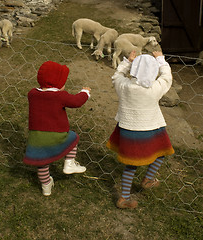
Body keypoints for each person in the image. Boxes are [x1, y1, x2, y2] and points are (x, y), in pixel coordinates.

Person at [106, 51, 175, 209]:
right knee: (162, 152)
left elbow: (116, 76)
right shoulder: (155, 88)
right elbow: (167, 78)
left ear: (134, 70)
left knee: (131, 164)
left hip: (129, 129)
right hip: (152, 128)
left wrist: (128, 62)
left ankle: (126, 196)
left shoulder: (124, 85)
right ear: (153, 71)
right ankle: (146, 181)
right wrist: (161, 60)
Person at [23, 61, 91, 196]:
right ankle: (69, 163)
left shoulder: (32, 94)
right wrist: (85, 92)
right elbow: (76, 102)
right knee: (73, 138)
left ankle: (46, 186)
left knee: (42, 163)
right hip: (56, 135)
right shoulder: (60, 96)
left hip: (36, 139)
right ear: (57, 83)